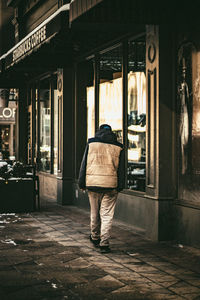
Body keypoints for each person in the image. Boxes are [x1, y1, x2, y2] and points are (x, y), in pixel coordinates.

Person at [78, 124, 125, 253]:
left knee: (94, 212)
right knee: (107, 215)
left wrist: (82, 183)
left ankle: (95, 237)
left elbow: (84, 164)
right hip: (110, 185)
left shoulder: (91, 143)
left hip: (93, 183)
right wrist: (120, 186)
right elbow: (121, 170)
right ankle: (104, 243)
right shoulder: (119, 147)